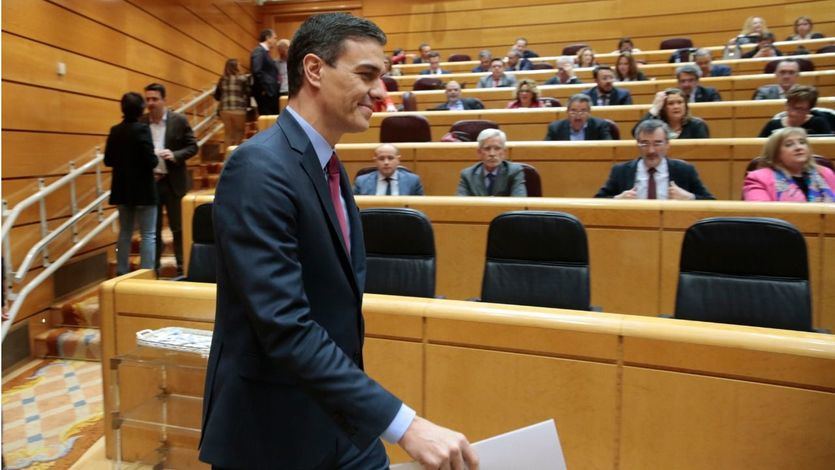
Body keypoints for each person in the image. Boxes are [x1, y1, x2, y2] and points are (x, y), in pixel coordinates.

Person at [198, 13, 478, 470]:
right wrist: (405, 425)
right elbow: (285, 325)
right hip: (272, 435)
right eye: (366, 75)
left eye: (381, 77)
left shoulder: (328, 164)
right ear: (313, 70)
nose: (380, 92)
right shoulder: (259, 168)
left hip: (337, 419)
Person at [140, 83, 198, 275]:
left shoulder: (179, 120)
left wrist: (175, 155)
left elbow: (192, 146)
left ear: (164, 100)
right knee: (152, 231)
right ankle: (153, 269)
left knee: (178, 228)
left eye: (155, 99)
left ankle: (183, 266)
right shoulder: (141, 122)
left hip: (174, 183)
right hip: (150, 184)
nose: (151, 103)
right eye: (148, 99)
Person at [104, 92, 158, 275]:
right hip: (143, 190)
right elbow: (152, 161)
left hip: (122, 189)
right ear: (140, 109)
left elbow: (108, 160)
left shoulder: (115, 130)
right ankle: (146, 272)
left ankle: (121, 270)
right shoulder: (143, 129)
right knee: (148, 235)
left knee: (124, 233)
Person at [595, 120, 714, 199]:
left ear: (667, 144)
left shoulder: (685, 171)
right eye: (644, 144)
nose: (651, 150)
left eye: (657, 144)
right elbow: (597, 202)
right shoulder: (621, 171)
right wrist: (617, 199)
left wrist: (690, 197)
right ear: (637, 144)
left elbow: (711, 203)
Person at [744, 127, 835, 202]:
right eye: (789, 144)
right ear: (776, 153)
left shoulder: (825, 173)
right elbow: (762, 216)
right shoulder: (758, 178)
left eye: (802, 142)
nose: (798, 147)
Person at [456, 129, 526, 197]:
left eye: (497, 148)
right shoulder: (467, 175)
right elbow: (461, 205)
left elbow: (519, 202)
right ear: (479, 152)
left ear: (504, 152)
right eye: (487, 148)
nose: (492, 154)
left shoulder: (514, 172)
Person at [758, 85, 832, 137]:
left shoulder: (818, 123)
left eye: (799, 109)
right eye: (790, 106)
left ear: (809, 110)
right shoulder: (773, 125)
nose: (792, 113)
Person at [636, 88, 710, 139]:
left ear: (685, 105)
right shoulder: (657, 125)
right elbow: (636, 132)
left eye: (680, 102)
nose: (676, 107)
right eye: (670, 103)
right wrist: (654, 109)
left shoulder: (697, 125)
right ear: (663, 108)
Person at [353, 144, 424, 196]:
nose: (386, 162)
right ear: (375, 161)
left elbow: (420, 208)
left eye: (390, 158)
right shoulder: (361, 181)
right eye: (381, 159)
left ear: (398, 160)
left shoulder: (413, 181)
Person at [213, 58, 251, 151]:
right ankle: (236, 155)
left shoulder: (222, 79)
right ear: (236, 67)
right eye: (239, 65)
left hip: (224, 109)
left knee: (228, 133)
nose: (240, 67)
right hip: (239, 108)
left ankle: (227, 156)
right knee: (239, 132)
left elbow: (216, 95)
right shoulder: (243, 79)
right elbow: (248, 92)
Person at [544, 93, 613, 141]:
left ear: (589, 113)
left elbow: (608, 149)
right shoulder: (555, 128)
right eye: (573, 111)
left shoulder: (600, 126)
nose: (578, 115)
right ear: (567, 112)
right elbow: (546, 151)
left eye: (583, 111)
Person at [251, 28, 280, 115]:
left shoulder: (265, 52)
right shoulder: (259, 51)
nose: (276, 41)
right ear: (268, 38)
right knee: (268, 121)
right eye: (274, 38)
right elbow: (256, 71)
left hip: (269, 94)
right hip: (266, 94)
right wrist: (266, 90)